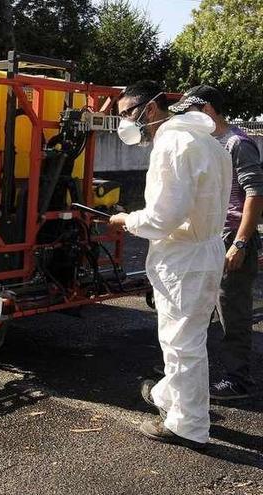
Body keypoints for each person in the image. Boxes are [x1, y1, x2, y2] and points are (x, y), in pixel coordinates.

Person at [109, 80, 232, 449]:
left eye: (127, 114)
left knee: (182, 344)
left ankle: (188, 426)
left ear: (150, 109)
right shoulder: (211, 144)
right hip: (205, 251)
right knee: (186, 338)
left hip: (183, 258)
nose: (124, 124)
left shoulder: (172, 145)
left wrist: (127, 220)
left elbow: (162, 218)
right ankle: (168, 395)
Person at [169, 85, 263, 401]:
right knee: (199, 309)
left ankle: (239, 381)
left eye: (189, 113)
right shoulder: (211, 144)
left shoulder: (238, 143)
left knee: (232, 314)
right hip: (210, 239)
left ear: (207, 110)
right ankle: (190, 372)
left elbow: (255, 194)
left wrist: (240, 243)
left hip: (232, 241)